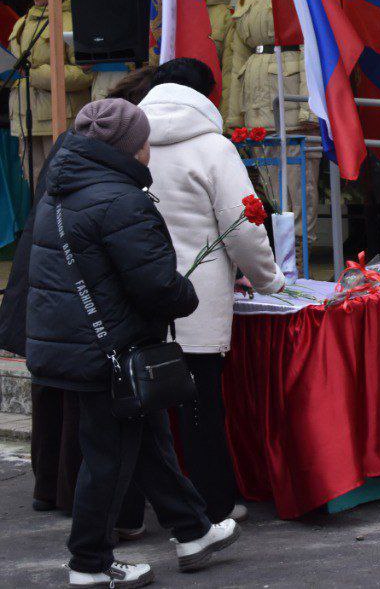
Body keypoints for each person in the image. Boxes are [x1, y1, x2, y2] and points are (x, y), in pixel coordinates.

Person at [26, 98, 239, 587]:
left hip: (75, 345)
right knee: (109, 456)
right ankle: (89, 564)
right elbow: (158, 286)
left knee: (145, 441)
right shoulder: (121, 199)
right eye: (143, 143)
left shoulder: (62, 189)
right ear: (130, 148)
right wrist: (189, 291)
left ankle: (193, 531)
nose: (149, 151)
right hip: (110, 352)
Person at [0, 66, 157, 524]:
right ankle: (76, 504)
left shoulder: (76, 146)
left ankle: (51, 488)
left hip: (44, 284)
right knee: (76, 400)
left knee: (54, 391)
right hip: (69, 292)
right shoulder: (103, 160)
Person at [139, 57, 284, 522]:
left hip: (139, 292)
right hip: (197, 301)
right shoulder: (213, 147)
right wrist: (269, 279)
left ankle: (146, 506)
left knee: (144, 411)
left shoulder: (128, 141)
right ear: (207, 96)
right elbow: (243, 225)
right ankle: (212, 505)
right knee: (201, 409)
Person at [223, 0, 319, 240]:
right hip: (257, 103)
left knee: (298, 184)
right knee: (269, 184)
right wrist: (234, 115)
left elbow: (312, 49)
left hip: (289, 99)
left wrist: (309, 108)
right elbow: (237, 56)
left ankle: (300, 254)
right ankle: (281, 252)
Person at [8, 0, 92, 184]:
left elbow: (86, 74)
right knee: (33, 183)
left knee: (58, 182)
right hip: (25, 118)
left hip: (58, 118)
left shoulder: (71, 21)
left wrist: (36, 75)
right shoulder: (22, 23)